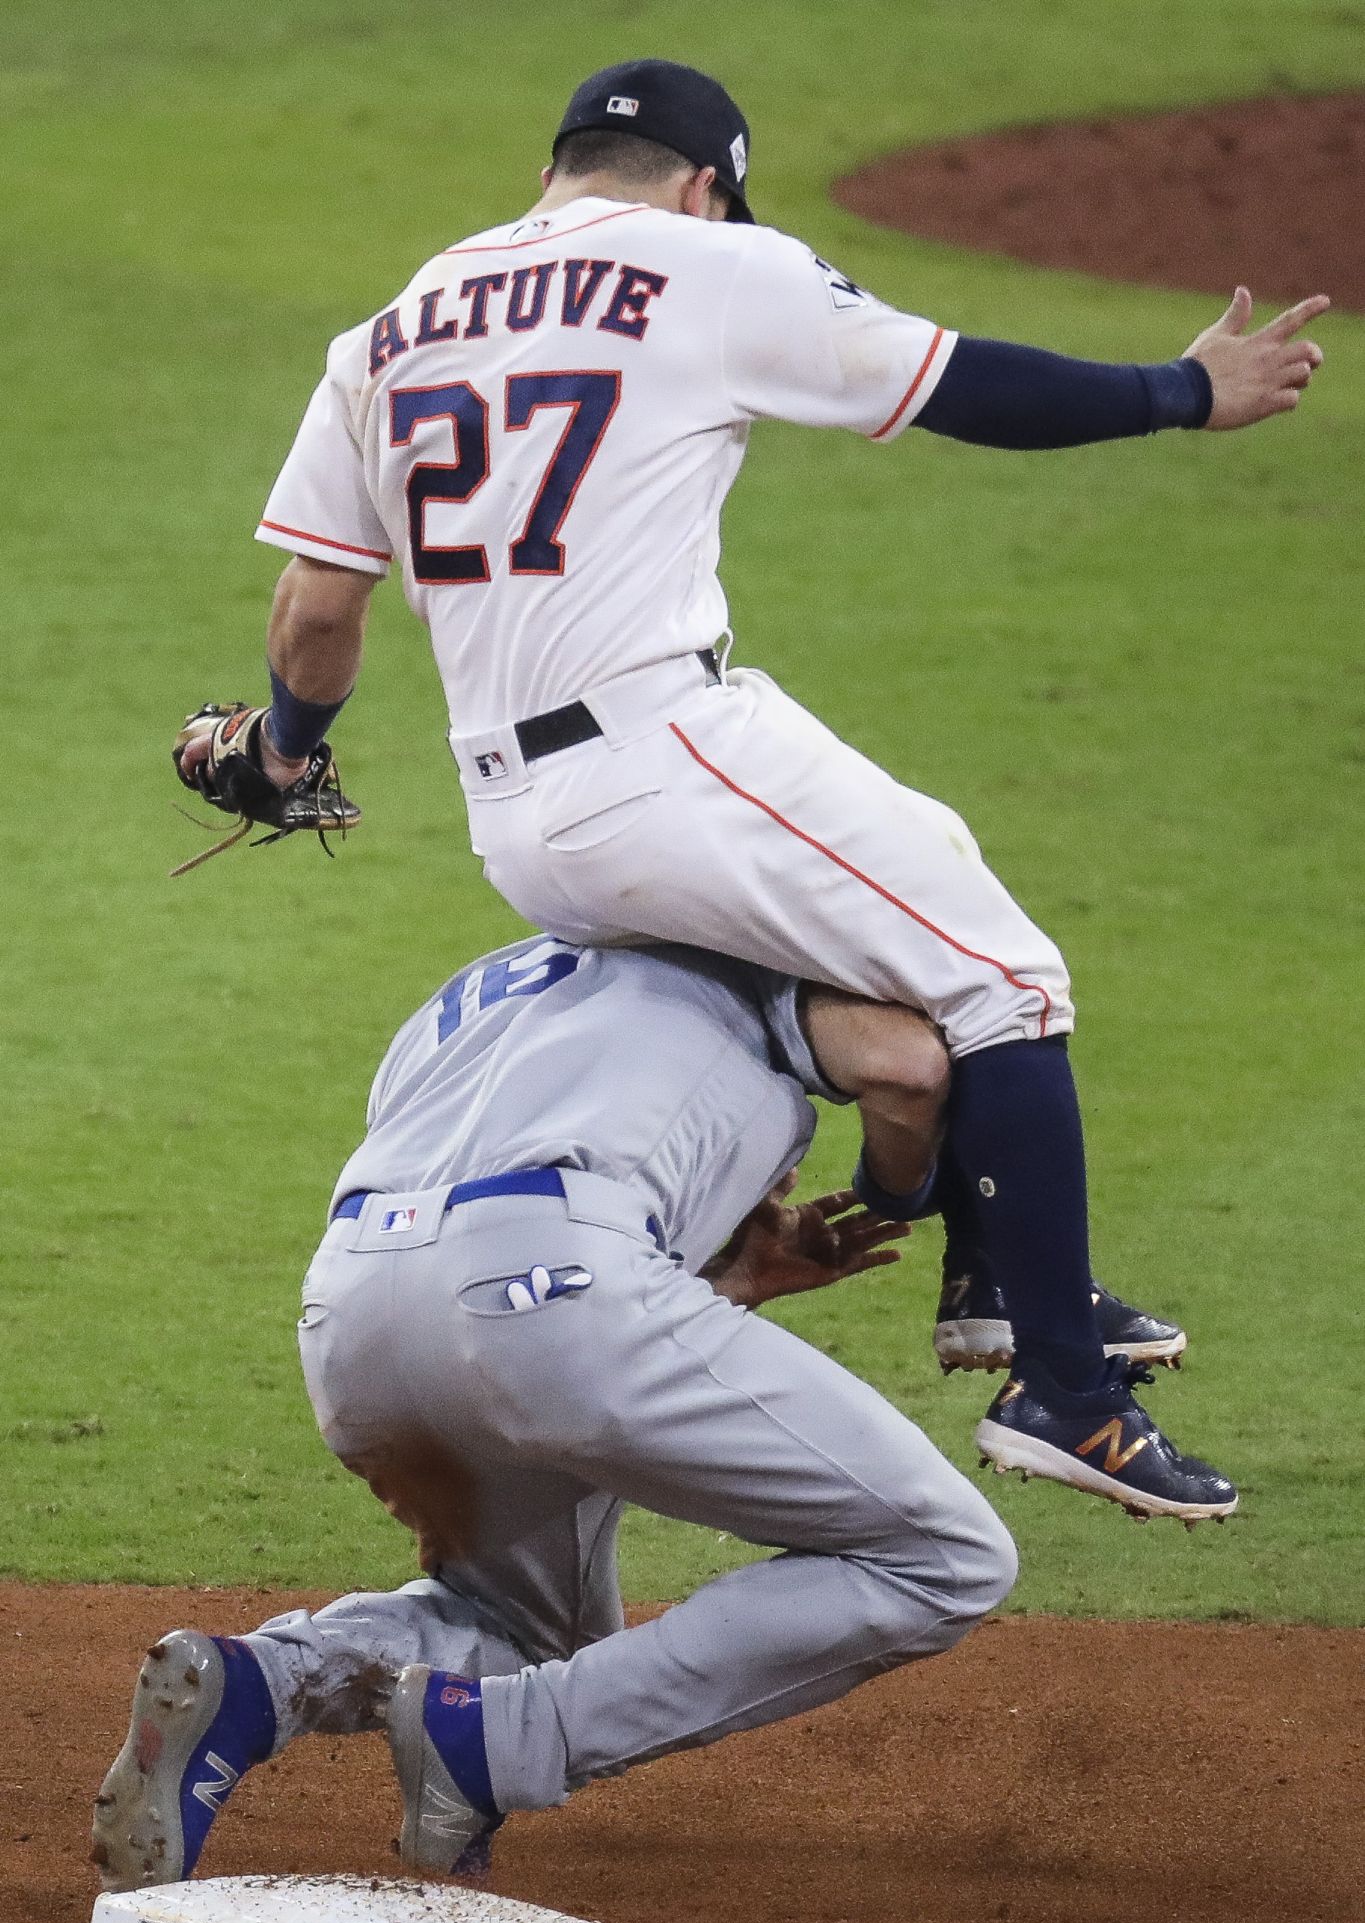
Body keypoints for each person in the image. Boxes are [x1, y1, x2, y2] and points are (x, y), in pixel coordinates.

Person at [194, 59, 1325, 1509]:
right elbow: (958, 383)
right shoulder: (708, 264)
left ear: (552, 171)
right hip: (658, 756)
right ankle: (1066, 1395)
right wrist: (1184, 391)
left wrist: (281, 753)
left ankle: (1002, 1280)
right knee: (1007, 977)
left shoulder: (391, 328)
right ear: (704, 182)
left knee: (920, 929)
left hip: (514, 819)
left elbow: (317, 614)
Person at [95, 932, 1025, 1890]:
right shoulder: (753, 951)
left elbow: (484, 1180)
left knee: (527, 1632)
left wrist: (717, 1273)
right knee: (941, 1557)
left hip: (351, 1307)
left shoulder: (481, 987)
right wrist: (912, 1188)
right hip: (557, 1293)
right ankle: (506, 1745)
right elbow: (906, 1071)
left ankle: (261, 1684)